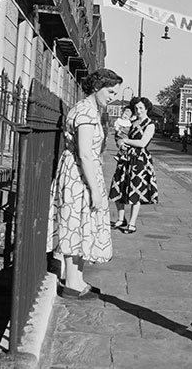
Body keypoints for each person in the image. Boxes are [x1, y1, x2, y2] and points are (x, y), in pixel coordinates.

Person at [47, 68, 123, 300]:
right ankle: (71, 282)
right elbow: (86, 153)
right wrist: (95, 190)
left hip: (81, 173)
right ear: (96, 87)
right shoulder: (86, 112)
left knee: (81, 224)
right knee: (75, 223)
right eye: (110, 91)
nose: (112, 97)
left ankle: (77, 279)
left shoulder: (90, 109)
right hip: (79, 176)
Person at [109, 96, 158, 234]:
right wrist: (119, 142)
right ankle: (120, 219)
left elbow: (142, 143)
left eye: (141, 108)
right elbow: (120, 136)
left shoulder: (150, 124)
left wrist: (126, 141)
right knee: (119, 186)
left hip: (139, 160)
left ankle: (132, 223)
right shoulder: (131, 122)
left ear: (147, 108)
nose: (138, 110)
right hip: (125, 158)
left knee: (135, 190)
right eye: (136, 108)